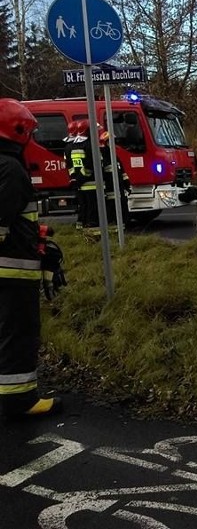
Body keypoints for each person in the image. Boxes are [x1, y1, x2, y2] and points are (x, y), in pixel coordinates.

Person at [0, 98, 63, 418]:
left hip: (11, 267)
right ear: (19, 129)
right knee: (19, 334)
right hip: (12, 273)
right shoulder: (10, 168)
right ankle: (19, 400)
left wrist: (38, 233)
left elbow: (13, 219)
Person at [68, 119, 99, 233]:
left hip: (80, 183)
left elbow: (72, 165)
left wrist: (76, 179)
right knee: (92, 209)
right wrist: (81, 178)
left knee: (84, 207)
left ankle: (84, 228)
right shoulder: (89, 145)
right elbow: (91, 165)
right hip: (91, 183)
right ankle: (92, 231)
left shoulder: (73, 146)